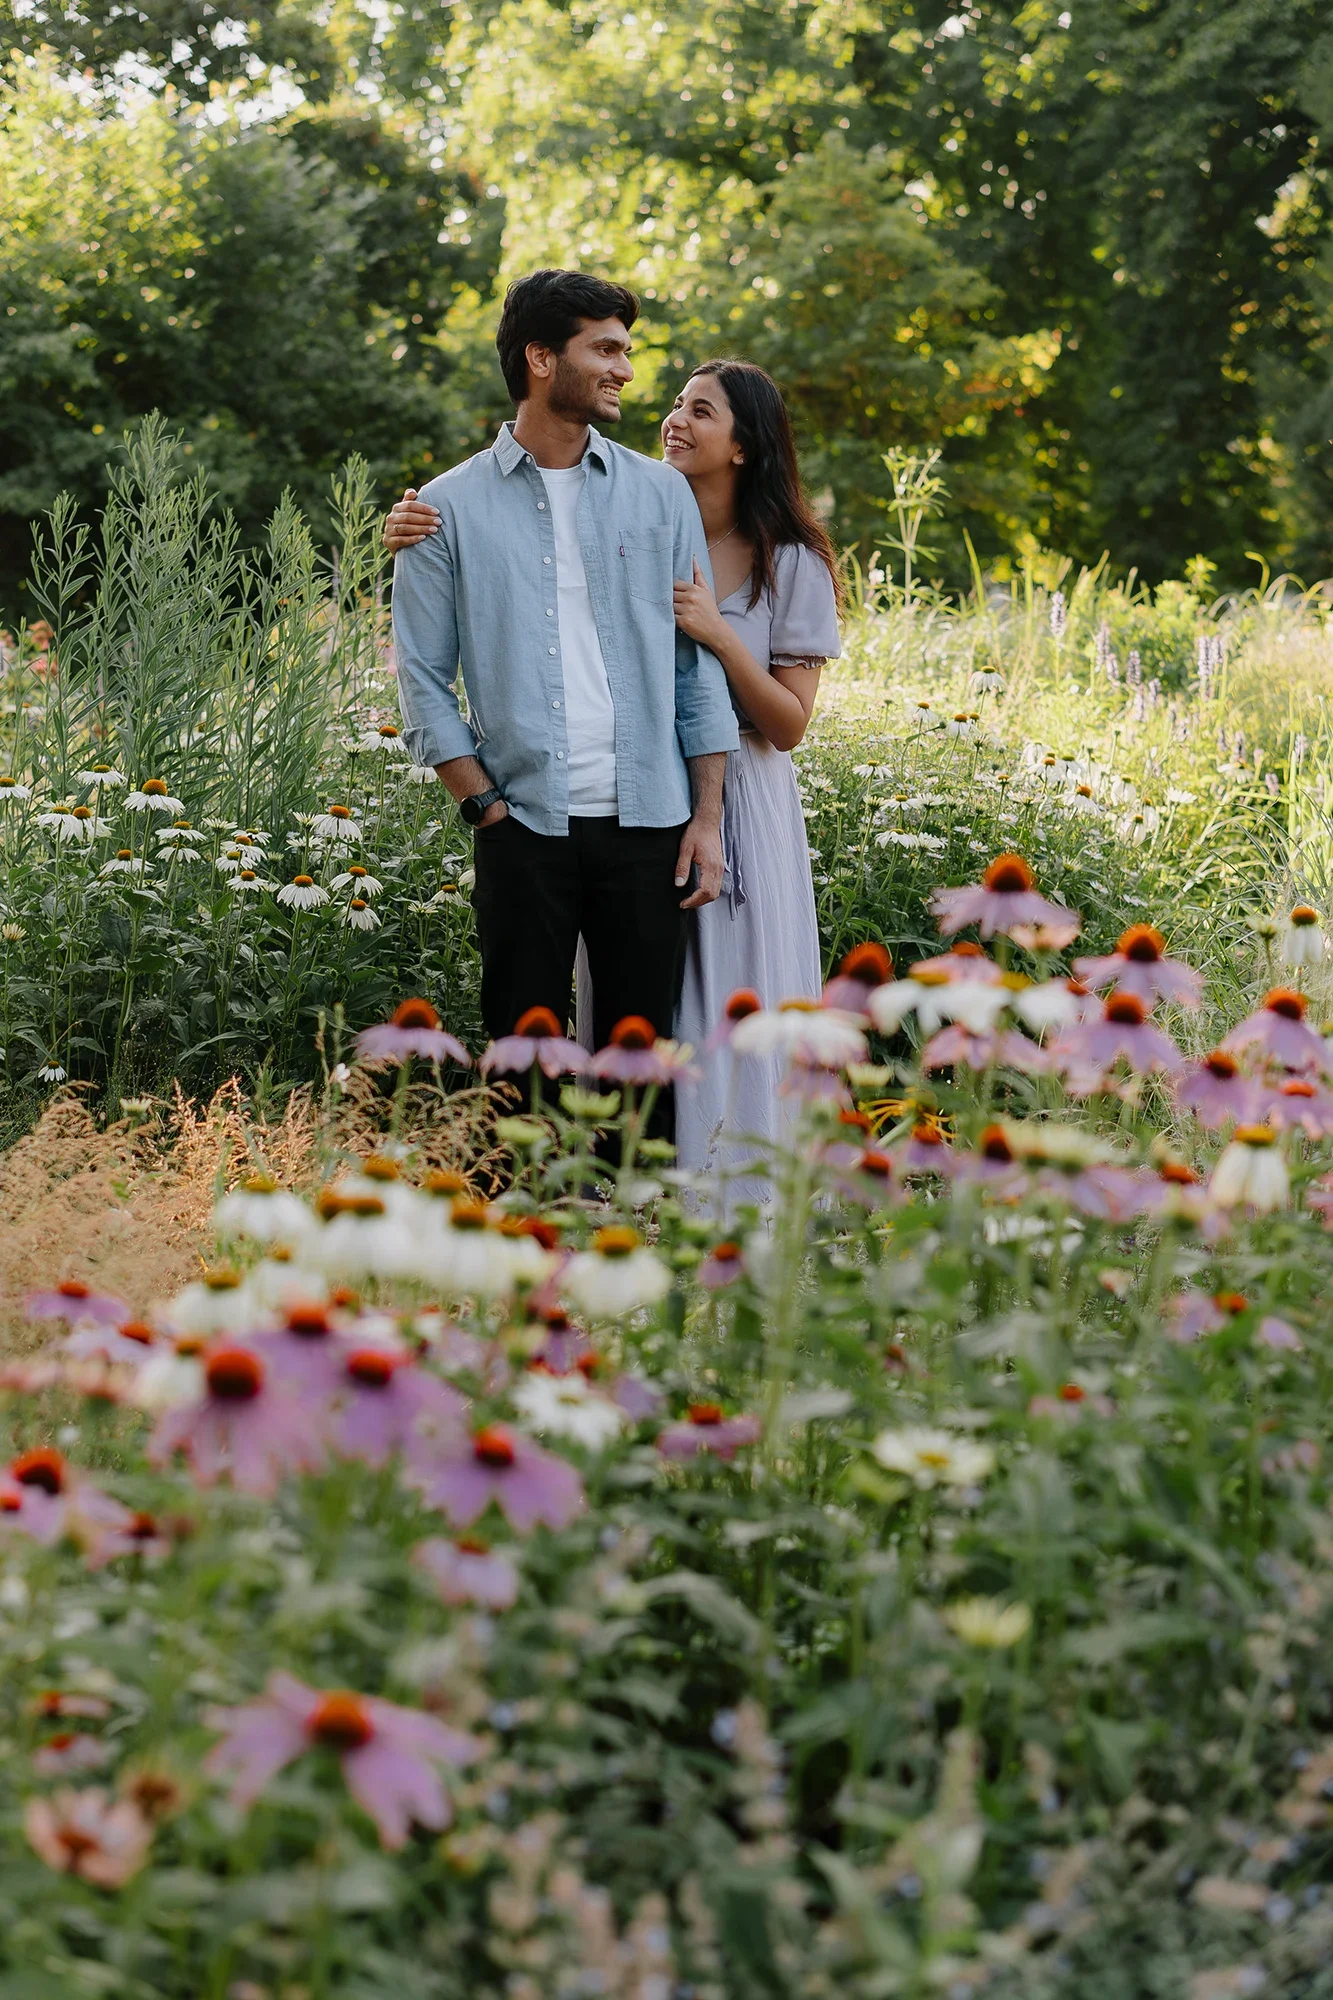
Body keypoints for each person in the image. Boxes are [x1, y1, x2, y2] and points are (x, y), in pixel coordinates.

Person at [388, 355, 839, 1195]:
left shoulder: (786, 557)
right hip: (633, 790)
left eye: (700, 411)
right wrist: (417, 522)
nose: (673, 418)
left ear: (745, 445)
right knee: (636, 1018)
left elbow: (786, 725)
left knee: (717, 1004)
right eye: (676, 403)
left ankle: (726, 1191)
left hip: (728, 795)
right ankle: (569, 1203)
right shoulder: (635, 506)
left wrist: (714, 634)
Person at [387, 270, 739, 1125]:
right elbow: (420, 676)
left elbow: (695, 667)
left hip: (650, 823)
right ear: (541, 359)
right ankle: (522, 1207)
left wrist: (706, 816)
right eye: (605, 349)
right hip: (523, 825)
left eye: (626, 350)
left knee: (638, 1073)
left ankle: (637, 1210)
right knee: (521, 1071)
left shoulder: (660, 494)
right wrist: (481, 805)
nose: (625, 369)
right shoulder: (442, 509)